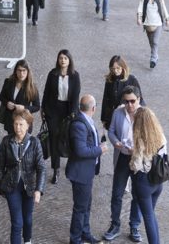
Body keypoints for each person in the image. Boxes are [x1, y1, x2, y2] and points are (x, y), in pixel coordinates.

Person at [0, 109, 46, 244]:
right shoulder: (6, 141)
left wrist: (38, 190)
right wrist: (1, 186)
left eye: (21, 124)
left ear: (28, 125)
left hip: (29, 185)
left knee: (27, 219)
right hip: (12, 186)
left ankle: (27, 240)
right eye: (15, 124)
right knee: (17, 222)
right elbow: (0, 166)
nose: (18, 128)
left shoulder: (35, 142)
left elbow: (41, 167)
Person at [102, 86, 144, 243]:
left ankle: (134, 226)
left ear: (138, 99)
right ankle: (115, 225)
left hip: (138, 159)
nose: (130, 105)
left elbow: (151, 137)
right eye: (126, 101)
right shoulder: (118, 113)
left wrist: (138, 148)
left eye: (132, 101)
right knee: (117, 193)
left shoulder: (144, 114)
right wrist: (116, 143)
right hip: (122, 157)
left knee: (138, 194)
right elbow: (111, 131)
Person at [66, 95, 108, 244]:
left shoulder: (86, 121)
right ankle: (75, 239)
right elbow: (81, 151)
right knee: (80, 208)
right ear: (93, 108)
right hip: (80, 173)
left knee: (86, 205)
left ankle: (85, 234)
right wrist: (99, 150)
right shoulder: (79, 124)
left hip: (87, 172)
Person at [42, 49, 81, 184]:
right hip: (53, 110)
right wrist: (43, 109)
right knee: (54, 138)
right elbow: (46, 92)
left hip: (68, 111)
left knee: (67, 137)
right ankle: (56, 169)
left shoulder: (75, 76)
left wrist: (73, 113)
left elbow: (76, 95)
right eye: (61, 58)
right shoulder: (52, 74)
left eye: (65, 58)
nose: (63, 60)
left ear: (69, 60)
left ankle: (70, 163)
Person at [130, 107, 167, 244]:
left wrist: (131, 160)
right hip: (157, 181)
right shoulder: (160, 135)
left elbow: (137, 165)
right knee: (151, 215)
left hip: (144, 182)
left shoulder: (140, 140)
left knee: (148, 217)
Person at [0, 59, 41, 136]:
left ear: (28, 72)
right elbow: (1, 97)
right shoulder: (8, 82)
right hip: (10, 120)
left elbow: (37, 106)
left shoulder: (32, 87)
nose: (21, 73)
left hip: (24, 121)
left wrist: (24, 108)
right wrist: (7, 103)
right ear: (15, 71)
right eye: (19, 70)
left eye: (24, 71)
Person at [101, 55, 144, 130]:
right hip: (116, 116)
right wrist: (104, 118)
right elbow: (106, 99)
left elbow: (140, 99)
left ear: (123, 67)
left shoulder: (132, 79)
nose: (115, 71)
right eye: (113, 69)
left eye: (118, 68)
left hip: (130, 116)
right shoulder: (109, 80)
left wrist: (141, 115)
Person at [137, 0, 169, 69]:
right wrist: (139, 18)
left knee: (155, 42)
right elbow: (140, 7)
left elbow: (163, 8)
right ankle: (155, 55)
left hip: (158, 24)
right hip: (147, 24)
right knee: (151, 43)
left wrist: (167, 18)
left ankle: (153, 59)